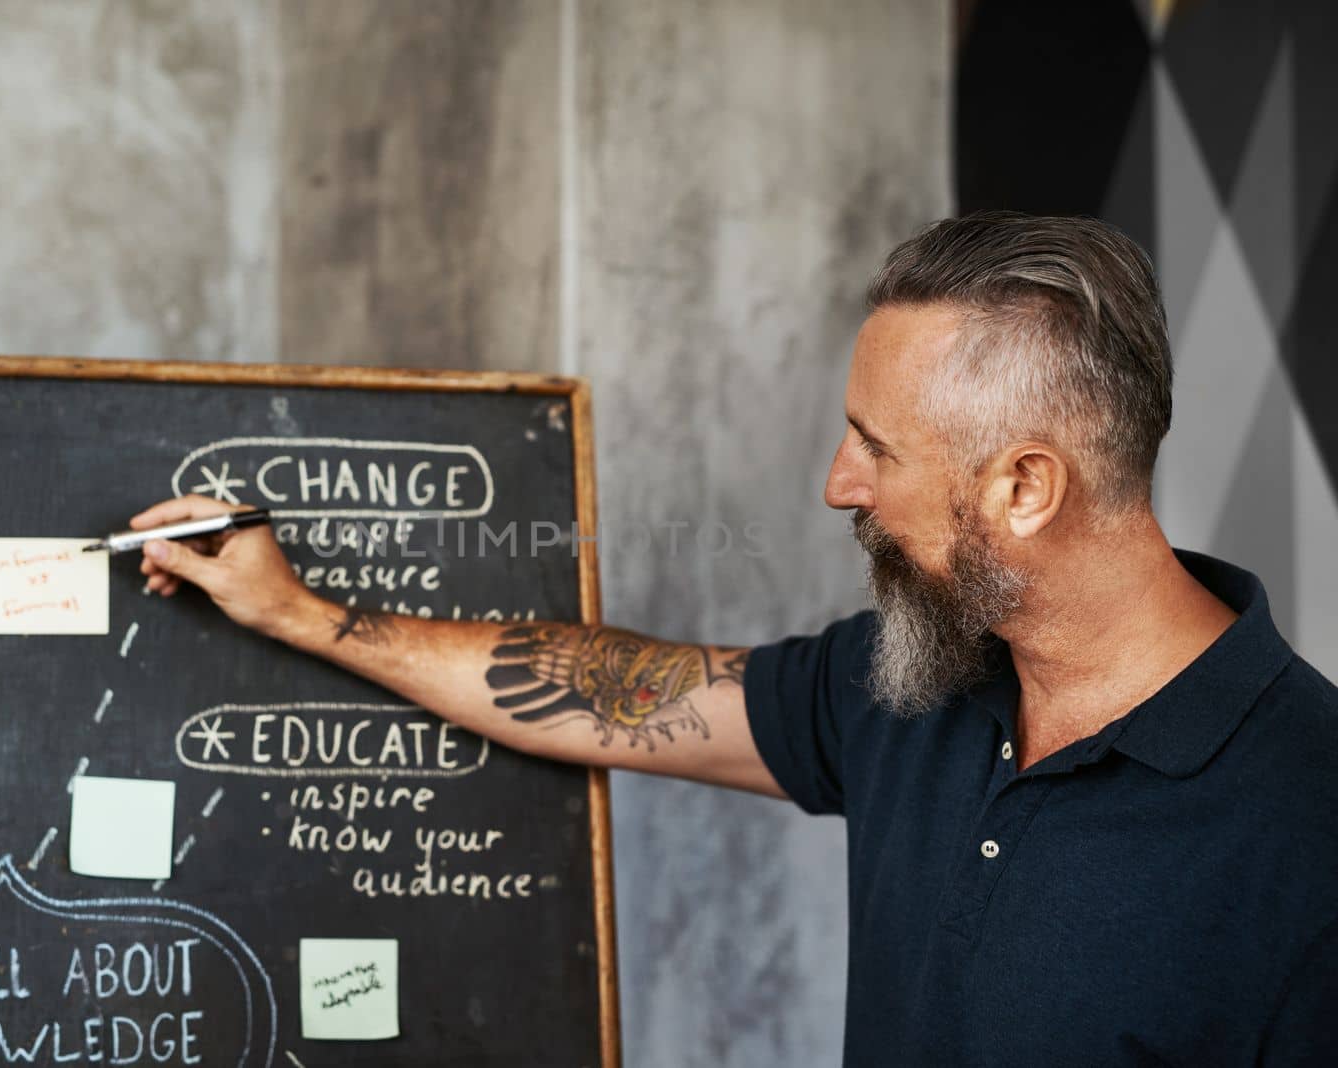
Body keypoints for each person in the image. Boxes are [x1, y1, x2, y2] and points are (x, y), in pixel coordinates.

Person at [131, 212, 1338, 1066]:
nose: (837, 483)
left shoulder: (1306, 824)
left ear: (1025, 488)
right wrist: (300, 614)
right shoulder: (914, 688)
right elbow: (622, 694)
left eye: (878, 447)